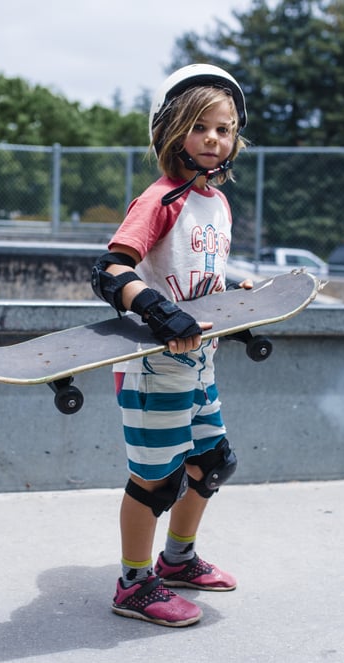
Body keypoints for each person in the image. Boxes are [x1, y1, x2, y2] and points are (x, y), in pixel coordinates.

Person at [90, 64, 250, 627]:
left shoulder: (217, 205)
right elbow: (111, 272)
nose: (214, 138)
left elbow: (192, 278)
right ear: (173, 131)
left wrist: (235, 298)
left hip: (199, 362)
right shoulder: (160, 200)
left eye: (225, 129)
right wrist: (159, 312)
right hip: (155, 365)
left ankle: (177, 560)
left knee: (212, 462)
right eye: (201, 126)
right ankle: (134, 583)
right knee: (157, 481)